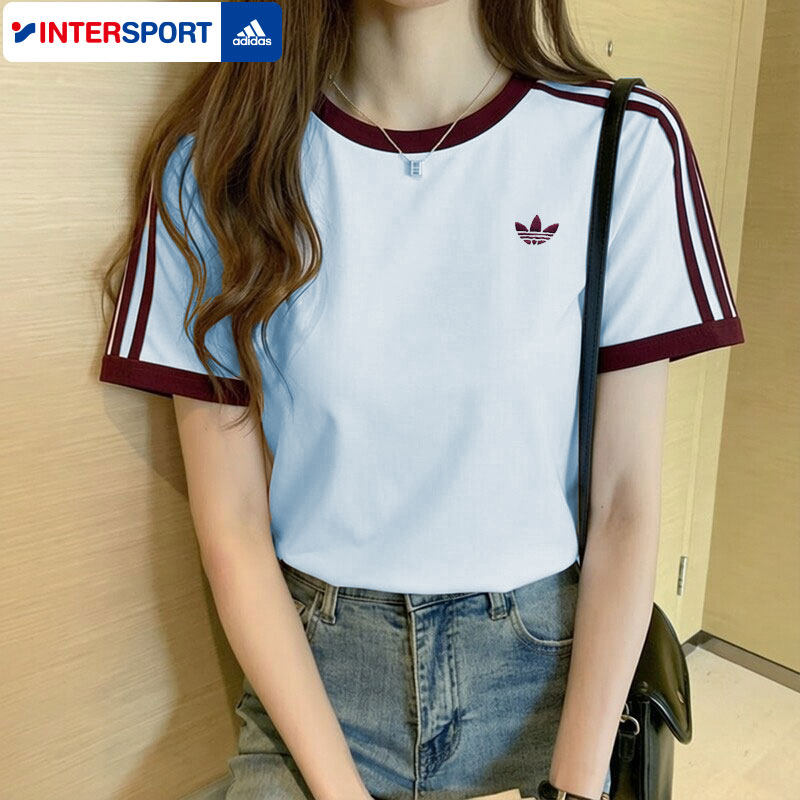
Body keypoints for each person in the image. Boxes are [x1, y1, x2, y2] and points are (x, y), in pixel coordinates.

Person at [98, 2, 746, 799]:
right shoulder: (218, 162)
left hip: (553, 668)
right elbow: (231, 522)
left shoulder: (623, 140)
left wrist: (576, 788)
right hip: (322, 679)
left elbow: (623, 504)